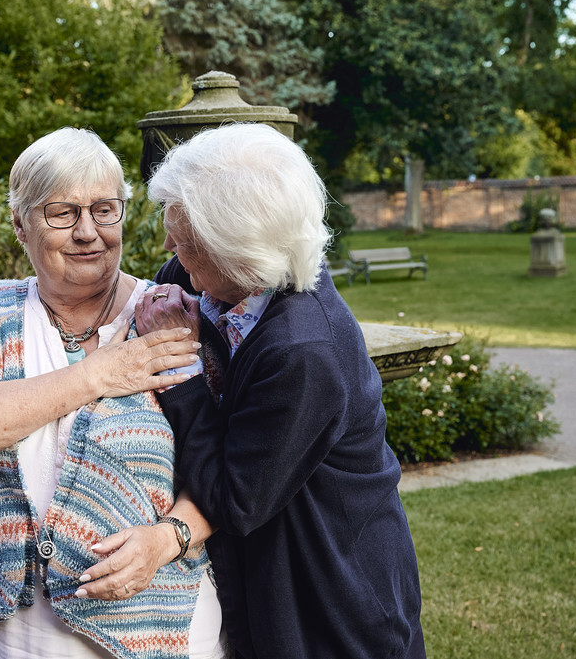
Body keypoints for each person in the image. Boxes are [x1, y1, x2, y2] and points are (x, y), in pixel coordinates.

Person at [0, 127, 227, 659]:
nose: (88, 231)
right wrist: (98, 375)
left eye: (104, 209)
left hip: (151, 626)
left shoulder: (170, 315)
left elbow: (229, 469)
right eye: (62, 213)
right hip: (14, 638)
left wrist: (169, 540)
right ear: (21, 226)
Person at [131, 123, 426, 659]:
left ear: (239, 251)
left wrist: (178, 366)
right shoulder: (206, 276)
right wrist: (7, 302)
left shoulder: (304, 351)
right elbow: (136, 305)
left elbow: (234, 500)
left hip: (330, 595)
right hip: (264, 582)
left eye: (186, 240)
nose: (169, 248)